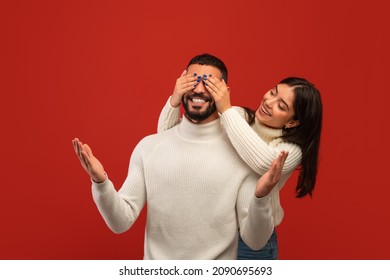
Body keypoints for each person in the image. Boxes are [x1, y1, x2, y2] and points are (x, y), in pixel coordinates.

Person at [72, 53, 289, 260]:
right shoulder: (148, 148)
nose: (199, 89)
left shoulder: (242, 154)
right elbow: (120, 222)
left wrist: (261, 197)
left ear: (224, 92)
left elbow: (255, 241)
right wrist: (101, 182)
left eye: (209, 83)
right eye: (192, 81)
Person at [158, 65, 323, 259]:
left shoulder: (290, 150)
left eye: (281, 105)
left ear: (292, 122)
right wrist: (174, 100)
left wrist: (225, 111)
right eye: (272, 92)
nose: (269, 102)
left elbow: (263, 164)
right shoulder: (237, 116)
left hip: (252, 244)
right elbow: (166, 141)